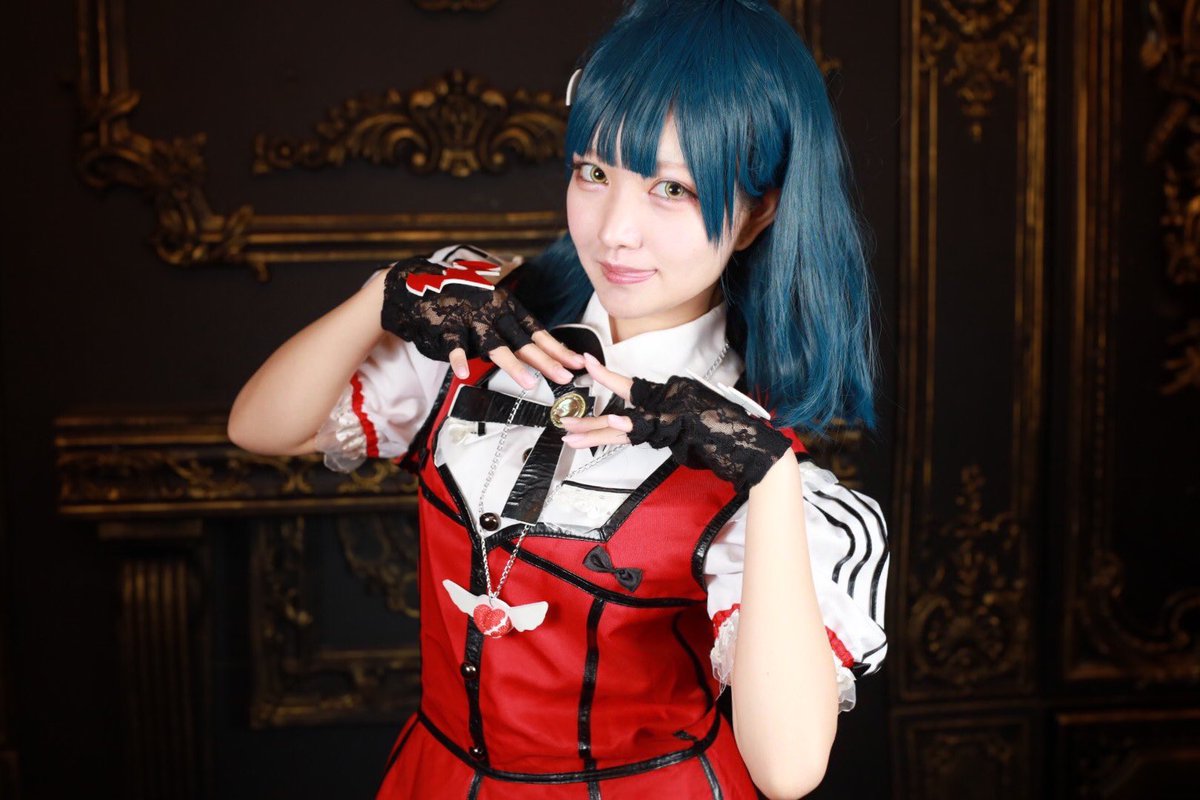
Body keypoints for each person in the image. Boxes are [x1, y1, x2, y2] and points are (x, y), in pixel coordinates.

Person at [228, 1, 889, 797]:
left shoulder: (762, 461)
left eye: (671, 189)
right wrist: (385, 294)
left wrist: (770, 475)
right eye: (594, 173)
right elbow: (259, 428)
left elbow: (787, 773)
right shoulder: (478, 331)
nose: (615, 231)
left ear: (758, 213)